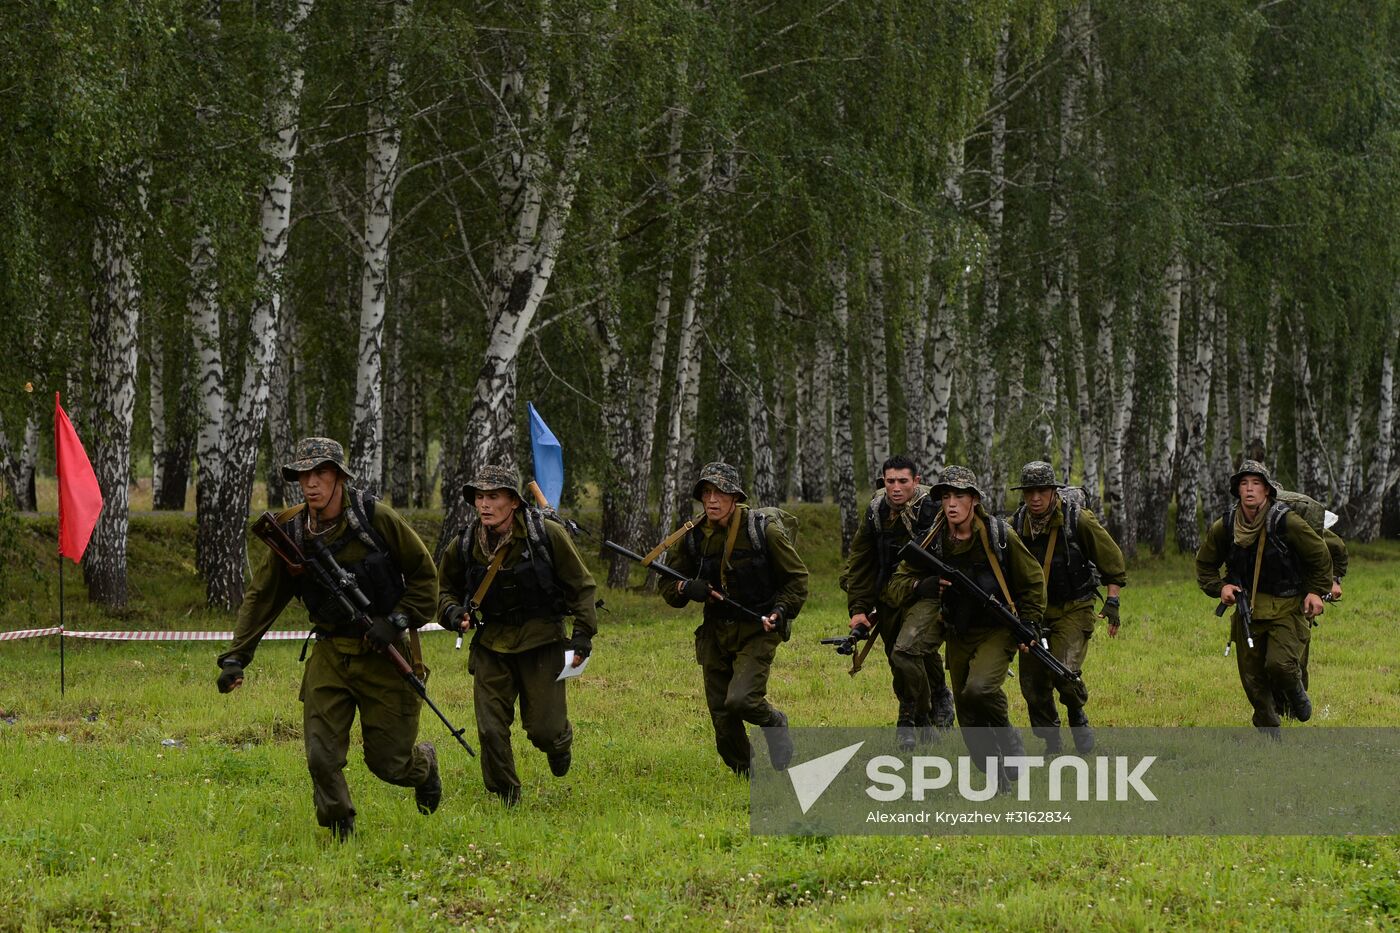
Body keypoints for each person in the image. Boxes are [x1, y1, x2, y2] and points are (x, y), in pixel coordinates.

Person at [216, 437, 441, 841]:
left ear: (338, 476)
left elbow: (426, 578)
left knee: (389, 764)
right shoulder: (291, 531)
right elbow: (263, 595)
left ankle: (424, 765)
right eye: (304, 475)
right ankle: (341, 826)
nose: (311, 483)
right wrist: (236, 657)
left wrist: (396, 620)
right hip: (330, 652)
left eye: (320, 473)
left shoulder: (376, 518)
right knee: (321, 755)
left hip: (384, 653)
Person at [437, 465, 598, 807]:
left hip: (541, 641)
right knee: (490, 729)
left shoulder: (546, 535)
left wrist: (583, 634)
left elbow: (580, 586)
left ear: (513, 501)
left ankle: (559, 744)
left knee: (544, 730)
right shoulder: (465, 543)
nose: (484, 505)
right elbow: (444, 590)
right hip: (492, 644)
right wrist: (453, 613)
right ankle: (507, 793)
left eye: (493, 497)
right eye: (479, 497)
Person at [886, 465, 1044, 776]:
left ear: (974, 500)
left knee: (979, 689)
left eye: (959, 496)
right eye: (946, 497)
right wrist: (923, 585)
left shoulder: (999, 536)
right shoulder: (933, 538)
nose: (952, 504)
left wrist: (1031, 624)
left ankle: (1008, 738)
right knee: (967, 715)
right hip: (958, 629)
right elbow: (896, 585)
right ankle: (994, 774)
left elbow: (1033, 581)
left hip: (997, 629)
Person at [661, 461, 808, 776]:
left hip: (758, 626)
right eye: (707, 492)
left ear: (735, 496)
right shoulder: (692, 537)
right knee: (721, 714)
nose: (713, 500)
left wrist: (780, 611)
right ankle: (746, 772)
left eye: (721, 492)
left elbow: (796, 581)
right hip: (715, 630)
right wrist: (687, 587)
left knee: (741, 700)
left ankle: (774, 723)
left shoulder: (761, 530)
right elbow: (669, 589)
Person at [1195, 460, 1331, 733]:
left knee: (1280, 665)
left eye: (1256, 484)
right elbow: (1205, 564)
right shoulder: (1227, 525)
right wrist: (1220, 587)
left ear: (1267, 491)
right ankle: (1269, 732)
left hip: (1287, 605)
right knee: (1253, 676)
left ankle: (1296, 694)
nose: (1249, 490)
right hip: (1249, 608)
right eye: (1244, 484)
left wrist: (1316, 591)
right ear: (1237, 490)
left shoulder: (1286, 521)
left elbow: (1319, 555)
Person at [1008, 461, 1127, 754]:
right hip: (1033, 613)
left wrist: (1112, 601)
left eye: (1042, 491)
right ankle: (1052, 740)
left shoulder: (1078, 520)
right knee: (1033, 686)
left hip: (1074, 606)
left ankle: (1076, 712)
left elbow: (1112, 561)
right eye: (1030, 491)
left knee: (1064, 670)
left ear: (1053, 491)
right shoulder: (1016, 525)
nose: (1036, 497)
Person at [840, 454, 954, 750]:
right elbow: (861, 561)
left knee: (910, 650)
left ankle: (918, 713)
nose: (896, 487)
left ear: (916, 481)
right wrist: (858, 610)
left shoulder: (932, 509)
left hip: (926, 594)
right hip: (889, 595)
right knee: (898, 659)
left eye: (903, 481)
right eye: (890, 481)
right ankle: (922, 708)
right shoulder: (877, 510)